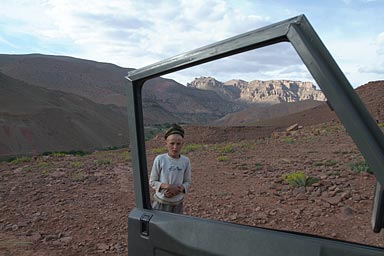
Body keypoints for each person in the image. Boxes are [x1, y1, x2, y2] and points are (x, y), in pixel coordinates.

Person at [149, 124, 192, 214]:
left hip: (178, 203)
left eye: (178, 144)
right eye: (172, 143)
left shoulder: (185, 161)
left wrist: (179, 189)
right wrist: (168, 187)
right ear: (166, 143)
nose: (175, 147)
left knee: (175, 226)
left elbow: (187, 182)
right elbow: (152, 181)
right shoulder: (160, 159)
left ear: (182, 144)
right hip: (161, 202)